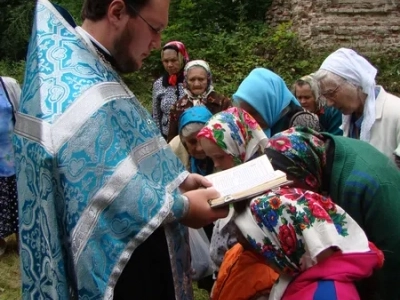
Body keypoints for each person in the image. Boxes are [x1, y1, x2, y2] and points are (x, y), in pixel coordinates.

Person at [14, 1, 228, 299]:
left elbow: (134, 150)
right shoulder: (75, 86)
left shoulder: (93, 66)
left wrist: (179, 179)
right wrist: (183, 207)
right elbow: (108, 186)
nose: (156, 43)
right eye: (155, 28)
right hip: (123, 279)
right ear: (116, 12)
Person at [265, 126, 400, 300]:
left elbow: (393, 264)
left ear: (307, 174)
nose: (285, 196)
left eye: (287, 186)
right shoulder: (320, 153)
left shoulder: (364, 185)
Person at [233, 187, 384, 300]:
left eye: (266, 253)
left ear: (288, 247)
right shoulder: (309, 277)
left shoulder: (327, 295)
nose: (265, 262)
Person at [197, 107, 278, 300]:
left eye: (219, 157)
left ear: (239, 146)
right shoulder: (231, 180)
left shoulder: (265, 194)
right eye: (211, 158)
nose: (215, 165)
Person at [313, 48, 400, 166]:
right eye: (325, 96)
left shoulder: (396, 112)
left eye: (331, 93)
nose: (329, 103)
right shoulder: (350, 119)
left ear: (354, 82)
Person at [233, 68, 320, 138]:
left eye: (254, 112)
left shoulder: (302, 122)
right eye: (244, 113)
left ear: (270, 105)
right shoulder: (255, 126)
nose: (249, 119)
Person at [166, 60, 231, 142]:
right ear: (186, 81)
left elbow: (231, 135)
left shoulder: (223, 103)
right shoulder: (178, 107)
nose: (196, 84)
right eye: (192, 80)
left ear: (208, 79)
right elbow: (172, 140)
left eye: (201, 79)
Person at [0, 76, 20, 256]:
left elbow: (23, 115)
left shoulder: (8, 85)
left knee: (20, 202)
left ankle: (25, 243)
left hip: (13, 158)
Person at [152, 41, 189, 139]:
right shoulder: (159, 84)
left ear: (182, 58)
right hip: (167, 137)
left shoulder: (193, 80)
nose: (169, 65)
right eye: (166, 61)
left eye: (174, 60)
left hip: (190, 136)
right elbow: (156, 115)